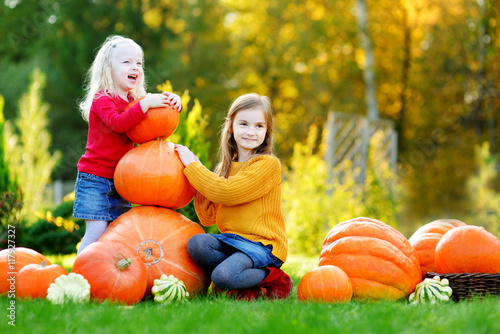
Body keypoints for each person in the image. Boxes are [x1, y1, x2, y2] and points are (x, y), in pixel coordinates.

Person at [174, 93, 292, 300]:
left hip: (262, 244)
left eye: (259, 126)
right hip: (233, 241)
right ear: (230, 125)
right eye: (244, 124)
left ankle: (273, 277)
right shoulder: (226, 169)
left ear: (267, 131)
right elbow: (208, 217)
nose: (251, 132)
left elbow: (228, 192)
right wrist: (200, 183)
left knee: (222, 277)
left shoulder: (267, 165)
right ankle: (245, 284)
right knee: (197, 244)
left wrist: (193, 168)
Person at [73, 35, 182, 255]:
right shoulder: (103, 98)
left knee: (118, 235)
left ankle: (107, 281)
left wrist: (171, 101)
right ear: (108, 68)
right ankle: (79, 276)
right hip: (94, 178)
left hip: (123, 182)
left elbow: (150, 130)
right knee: (96, 233)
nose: (135, 67)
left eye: (139, 63)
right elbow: (118, 123)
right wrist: (146, 104)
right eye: (127, 62)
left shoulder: (135, 102)